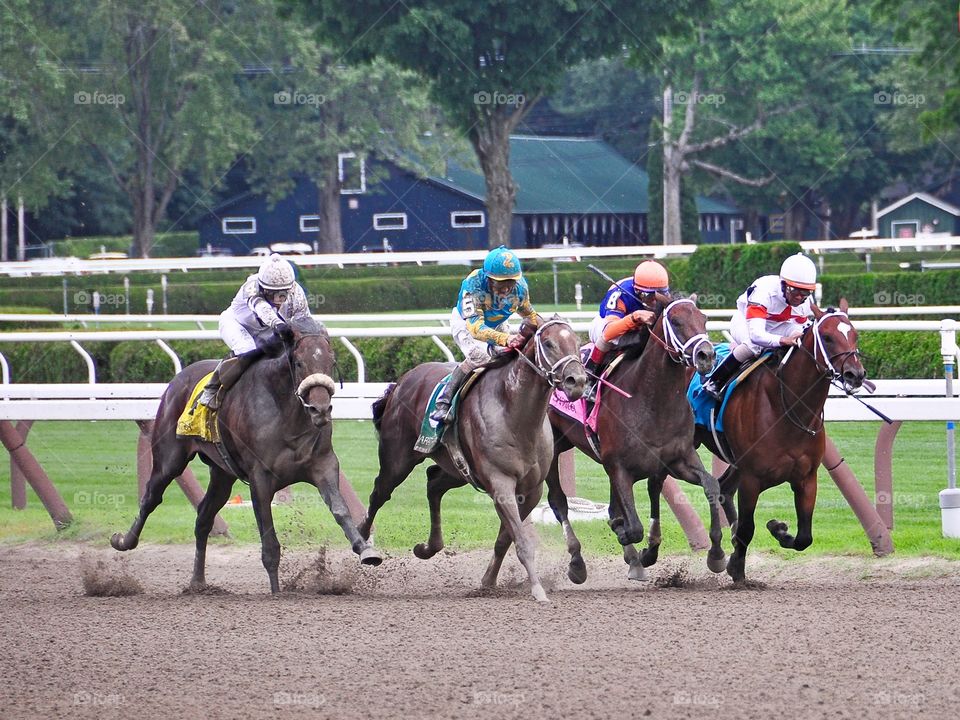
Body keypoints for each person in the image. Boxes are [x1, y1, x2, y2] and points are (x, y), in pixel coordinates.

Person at [430, 245, 539, 423]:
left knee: (514, 357)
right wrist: (506, 339)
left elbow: (529, 314)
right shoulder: (473, 284)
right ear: (488, 278)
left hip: (497, 323)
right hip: (467, 324)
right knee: (481, 357)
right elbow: (476, 329)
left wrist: (545, 327)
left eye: (510, 283)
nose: (506, 290)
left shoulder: (520, 288)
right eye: (500, 283)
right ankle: (444, 401)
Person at [197, 253, 311, 409]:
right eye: (272, 293)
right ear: (263, 287)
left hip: (267, 330)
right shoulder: (251, 286)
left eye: (283, 293)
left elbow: (304, 320)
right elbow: (262, 309)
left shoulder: (297, 292)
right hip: (237, 324)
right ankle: (213, 387)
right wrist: (278, 324)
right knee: (247, 349)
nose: (278, 299)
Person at [701, 252, 819, 400]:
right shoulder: (764, 291)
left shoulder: (806, 301)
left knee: (803, 337)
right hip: (746, 321)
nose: (799, 297)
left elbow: (800, 326)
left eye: (805, 292)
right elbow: (757, 335)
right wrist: (783, 340)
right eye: (794, 290)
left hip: (780, 325)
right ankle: (715, 381)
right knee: (754, 345)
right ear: (783, 285)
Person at [582, 260, 664, 399]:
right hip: (608, 325)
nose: (656, 301)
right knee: (612, 337)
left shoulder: (655, 289)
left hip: (636, 328)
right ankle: (590, 376)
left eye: (660, 294)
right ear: (638, 292)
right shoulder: (621, 294)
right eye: (651, 296)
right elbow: (609, 331)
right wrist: (634, 316)